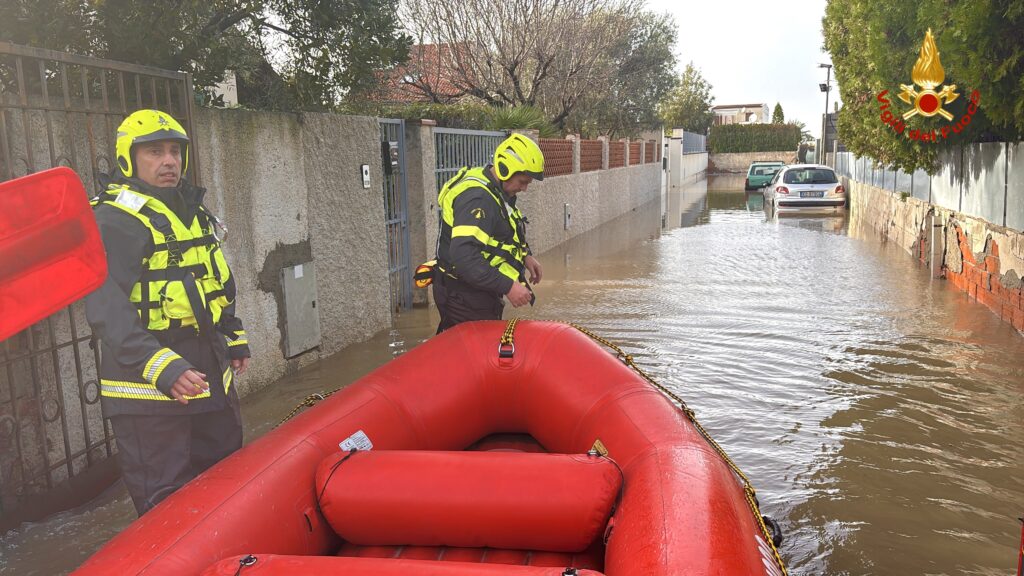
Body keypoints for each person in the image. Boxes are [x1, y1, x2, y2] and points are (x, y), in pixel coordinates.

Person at [84, 109, 250, 515]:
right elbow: (106, 307)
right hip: (148, 390)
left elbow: (210, 279)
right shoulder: (113, 221)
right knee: (168, 507)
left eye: (174, 151)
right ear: (129, 159)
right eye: (154, 152)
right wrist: (162, 366)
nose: (169, 161)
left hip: (207, 372)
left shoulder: (190, 210)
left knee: (225, 480)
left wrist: (233, 333)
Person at [431, 133, 544, 333]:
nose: (524, 189)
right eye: (522, 181)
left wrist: (525, 255)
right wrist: (508, 286)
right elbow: (465, 257)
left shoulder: (497, 189)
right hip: (463, 295)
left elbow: (503, 231)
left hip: (477, 288)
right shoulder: (478, 199)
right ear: (504, 169)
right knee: (468, 357)